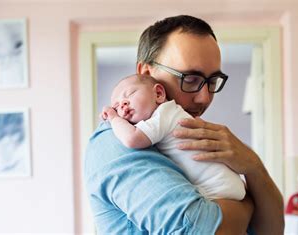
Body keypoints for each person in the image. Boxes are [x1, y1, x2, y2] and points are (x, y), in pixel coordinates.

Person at [84, 15, 284, 234]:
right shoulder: (115, 141)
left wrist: (254, 167)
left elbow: (271, 232)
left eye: (212, 81)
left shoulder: (186, 136)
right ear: (147, 73)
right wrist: (247, 207)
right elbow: (194, 229)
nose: (205, 98)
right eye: (189, 79)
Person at [101, 74, 246, 201]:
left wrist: (113, 117)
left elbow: (132, 139)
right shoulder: (170, 114)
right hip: (228, 186)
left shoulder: (165, 113)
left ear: (158, 94)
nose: (123, 104)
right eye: (116, 106)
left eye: (130, 94)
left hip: (218, 188)